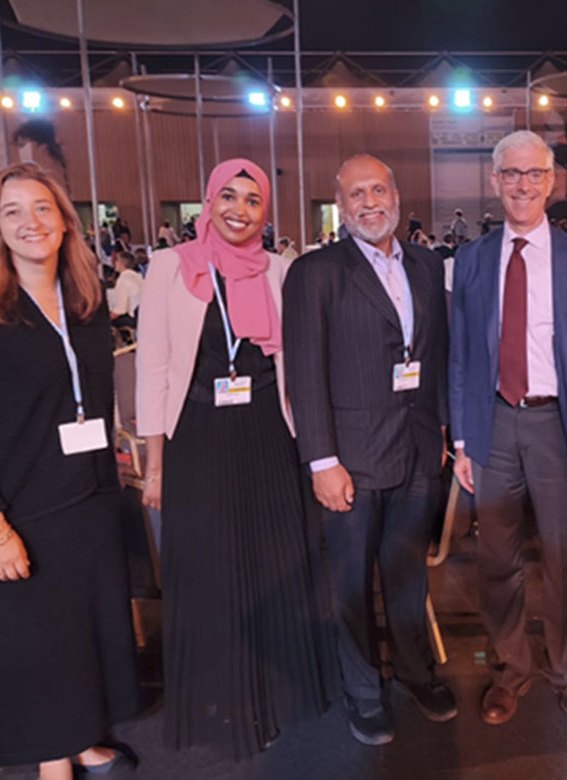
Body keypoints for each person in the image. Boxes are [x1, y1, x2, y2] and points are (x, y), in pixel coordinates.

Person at [0, 162, 139, 779]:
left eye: (43, 208)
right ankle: (54, 761)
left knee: (80, 633)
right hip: (13, 508)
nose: (31, 222)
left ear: (65, 221)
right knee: (38, 639)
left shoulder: (86, 304)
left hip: (84, 499)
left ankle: (81, 737)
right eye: (12, 211)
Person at [136, 158, 337, 759]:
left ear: (265, 212)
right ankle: (220, 698)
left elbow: (297, 360)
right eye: (228, 196)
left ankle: (271, 696)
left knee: (272, 568)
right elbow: (152, 367)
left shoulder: (280, 269)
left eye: (253, 200)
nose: (239, 210)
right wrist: (154, 465)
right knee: (210, 570)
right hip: (196, 436)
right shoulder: (171, 266)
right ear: (208, 201)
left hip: (269, 433)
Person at [449, 130, 567, 727]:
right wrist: (462, 441)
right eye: (510, 173)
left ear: (552, 182)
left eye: (533, 174)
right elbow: (461, 356)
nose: (522, 185)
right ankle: (510, 670)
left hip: (558, 428)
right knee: (496, 557)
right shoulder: (471, 260)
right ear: (494, 181)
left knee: (563, 557)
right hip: (492, 424)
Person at [284, 154, 455, 745]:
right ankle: (363, 691)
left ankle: (415, 671)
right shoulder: (315, 273)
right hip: (349, 461)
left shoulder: (428, 265)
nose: (369, 202)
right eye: (356, 194)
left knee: (407, 575)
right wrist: (322, 461)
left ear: (396, 195)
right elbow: (304, 374)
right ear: (340, 205)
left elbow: (436, 356)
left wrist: (440, 429)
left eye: (378, 189)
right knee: (351, 585)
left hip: (417, 451)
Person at [108, 250, 144, 327]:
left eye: (116, 261)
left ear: (121, 263)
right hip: (143, 315)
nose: (115, 263)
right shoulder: (139, 277)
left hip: (134, 318)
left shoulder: (123, 280)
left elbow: (120, 309)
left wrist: (106, 320)